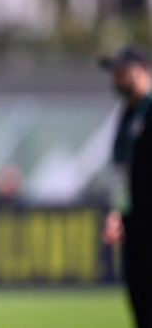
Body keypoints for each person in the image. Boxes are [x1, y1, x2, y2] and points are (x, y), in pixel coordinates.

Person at [100, 43, 152, 328]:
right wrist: (116, 211)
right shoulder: (126, 116)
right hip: (134, 225)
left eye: (123, 70)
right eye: (115, 72)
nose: (116, 77)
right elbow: (120, 168)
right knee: (139, 299)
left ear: (143, 70)